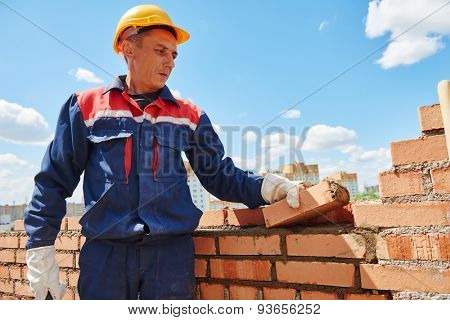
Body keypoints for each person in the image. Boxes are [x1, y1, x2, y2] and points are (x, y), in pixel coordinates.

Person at [23, 4, 301, 300]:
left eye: (174, 54)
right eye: (160, 51)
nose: (170, 62)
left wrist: (267, 187)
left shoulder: (189, 115)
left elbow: (218, 174)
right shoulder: (85, 107)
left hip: (170, 257)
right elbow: (53, 180)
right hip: (106, 256)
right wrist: (40, 248)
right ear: (129, 48)